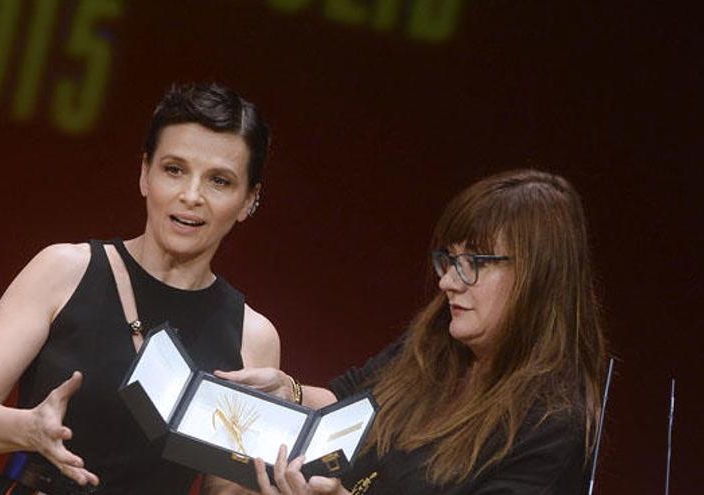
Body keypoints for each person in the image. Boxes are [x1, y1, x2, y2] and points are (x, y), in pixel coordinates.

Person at [0, 83, 281, 495]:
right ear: (144, 174)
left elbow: (226, 489)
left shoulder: (252, 337)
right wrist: (27, 428)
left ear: (248, 201)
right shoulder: (66, 270)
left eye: (219, 181)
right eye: (174, 169)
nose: (191, 196)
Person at [217, 169, 608, 494]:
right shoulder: (439, 339)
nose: (448, 283)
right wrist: (292, 392)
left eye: (473, 262)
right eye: (449, 260)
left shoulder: (552, 428)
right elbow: (351, 394)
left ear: (537, 276)